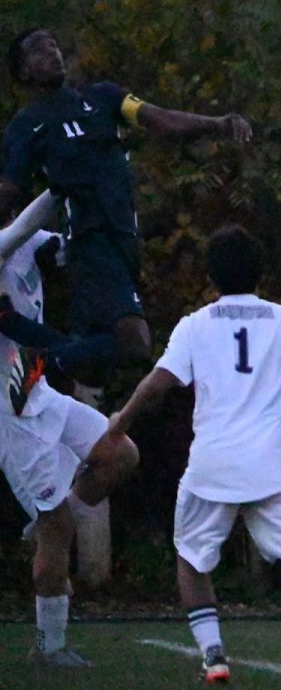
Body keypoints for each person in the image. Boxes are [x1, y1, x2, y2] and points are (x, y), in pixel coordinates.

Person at [107, 225, 281, 684]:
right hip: (275, 465)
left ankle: (213, 656)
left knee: (191, 558)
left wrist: (120, 423)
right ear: (260, 274)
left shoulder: (195, 324)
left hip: (213, 463)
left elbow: (158, 384)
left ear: (211, 276)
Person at [0, 27, 252, 387]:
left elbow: (159, 119)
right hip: (90, 239)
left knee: (92, 367)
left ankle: (20, 334)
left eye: (54, 45)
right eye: (38, 51)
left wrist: (217, 124)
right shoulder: (27, 126)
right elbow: (10, 191)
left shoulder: (103, 97)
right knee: (133, 344)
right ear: (24, 72)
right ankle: (41, 362)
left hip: (124, 238)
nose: (52, 53)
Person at [0, 210, 138, 669]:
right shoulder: (8, 236)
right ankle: (49, 647)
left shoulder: (28, 239)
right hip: (9, 407)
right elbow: (19, 229)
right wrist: (66, 176)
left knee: (121, 453)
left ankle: (48, 525)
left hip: (35, 387)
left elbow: (71, 244)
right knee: (55, 527)